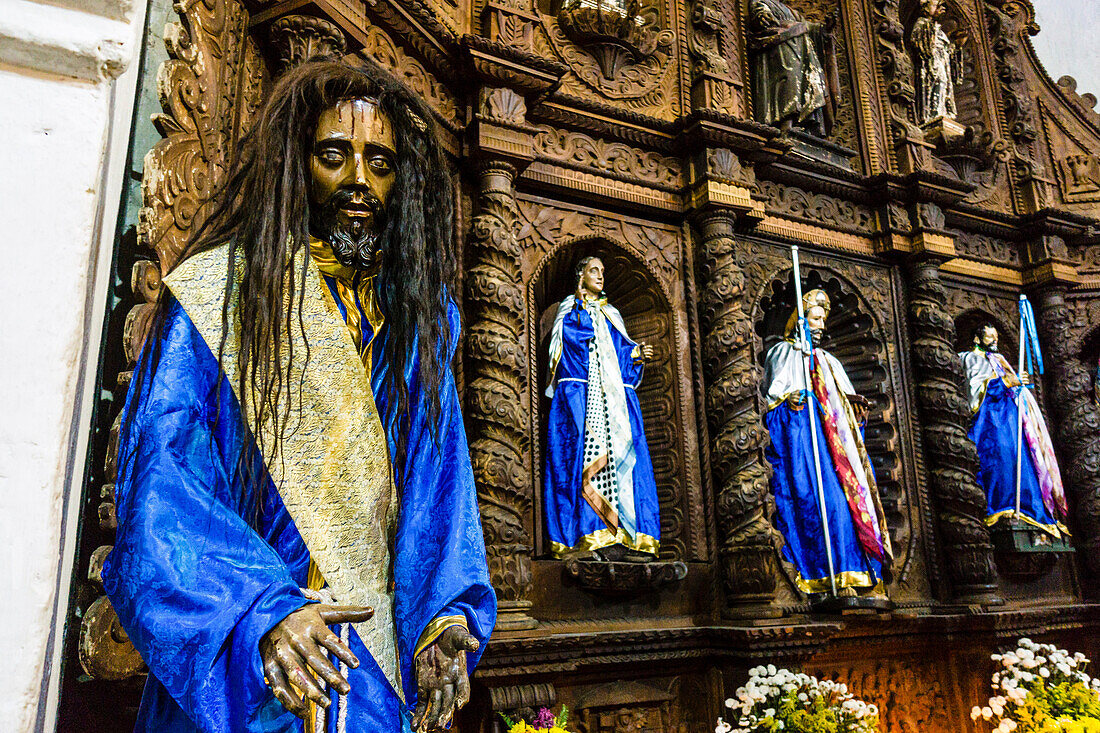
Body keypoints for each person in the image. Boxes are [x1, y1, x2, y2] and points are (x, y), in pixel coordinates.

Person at [102, 59, 496, 733]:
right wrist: (263, 611)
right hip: (251, 672)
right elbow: (163, 487)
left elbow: (440, 489)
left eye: (380, 162)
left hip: (369, 680)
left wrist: (444, 618)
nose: (358, 182)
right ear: (294, 162)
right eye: (334, 156)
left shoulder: (414, 326)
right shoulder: (216, 298)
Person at [762, 290, 892, 598]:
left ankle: (853, 575)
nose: (821, 324)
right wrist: (788, 401)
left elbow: (845, 413)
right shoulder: (781, 354)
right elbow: (769, 405)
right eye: (815, 318)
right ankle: (818, 576)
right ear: (799, 320)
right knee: (811, 504)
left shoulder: (828, 360)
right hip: (802, 445)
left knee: (841, 506)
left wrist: (855, 408)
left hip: (835, 452)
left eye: (823, 319)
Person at [543, 256, 661, 562]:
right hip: (581, 394)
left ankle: (626, 535)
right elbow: (570, 347)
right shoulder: (570, 309)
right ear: (580, 276)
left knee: (624, 461)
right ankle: (589, 534)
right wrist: (581, 309)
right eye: (595, 271)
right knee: (581, 459)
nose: (601, 276)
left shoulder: (611, 313)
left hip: (614, 402)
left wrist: (636, 353)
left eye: (603, 271)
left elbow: (619, 355)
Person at [960, 323, 1068, 538]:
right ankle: (1002, 507)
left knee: (1022, 461)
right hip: (991, 425)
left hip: (1012, 422)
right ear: (976, 339)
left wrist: (1018, 387)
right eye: (990, 337)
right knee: (1002, 460)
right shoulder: (969, 358)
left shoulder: (999, 360)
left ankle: (1031, 511)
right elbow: (973, 392)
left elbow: (1014, 387)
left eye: (997, 337)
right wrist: (1004, 383)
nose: (995, 341)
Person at [747, 0, 829, 135]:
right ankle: (786, 125)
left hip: (802, 50)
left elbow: (809, 28)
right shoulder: (761, 2)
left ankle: (805, 125)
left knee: (810, 84)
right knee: (788, 79)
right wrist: (763, 17)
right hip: (781, 47)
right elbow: (759, 16)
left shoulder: (792, 11)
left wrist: (824, 30)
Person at [911, 0, 961, 124]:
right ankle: (932, 115)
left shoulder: (938, 28)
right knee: (936, 83)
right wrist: (933, 23)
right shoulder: (921, 23)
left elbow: (946, 50)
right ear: (925, 9)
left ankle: (941, 112)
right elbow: (919, 42)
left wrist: (957, 45)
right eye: (934, 5)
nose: (939, 8)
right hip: (929, 65)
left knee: (944, 84)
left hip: (941, 63)